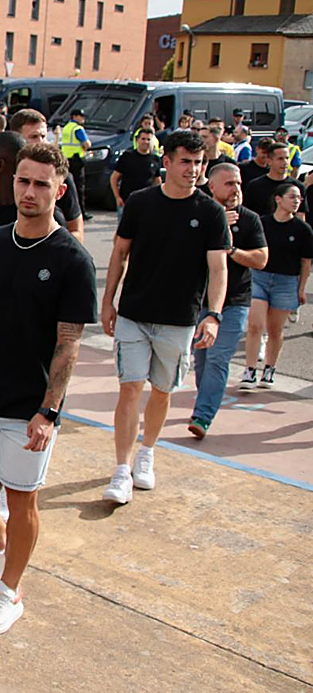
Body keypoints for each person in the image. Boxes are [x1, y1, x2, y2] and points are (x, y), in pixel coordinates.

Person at [0, 142, 96, 636]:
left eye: (41, 184)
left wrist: (49, 411)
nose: (29, 191)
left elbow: (68, 344)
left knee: (23, 496)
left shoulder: (73, 260)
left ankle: (10, 592)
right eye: (23, 181)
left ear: (60, 190)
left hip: (30, 400)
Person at [100, 131, 230, 504]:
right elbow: (119, 253)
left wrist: (214, 315)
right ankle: (122, 469)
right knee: (130, 388)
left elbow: (218, 270)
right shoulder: (141, 203)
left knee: (162, 390)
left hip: (180, 319)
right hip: (135, 314)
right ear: (168, 162)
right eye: (186, 161)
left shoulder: (210, 212)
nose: (193, 169)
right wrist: (108, 301)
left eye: (199, 162)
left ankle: (147, 452)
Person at [188, 163, 267, 437]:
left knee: (218, 359)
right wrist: (217, 225)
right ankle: (205, 399)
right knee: (202, 359)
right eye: (230, 184)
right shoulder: (199, 213)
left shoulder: (250, 219)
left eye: (239, 183)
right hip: (199, 301)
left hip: (235, 301)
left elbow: (260, 259)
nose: (236, 189)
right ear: (212, 186)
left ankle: (202, 415)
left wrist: (231, 249)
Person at [240, 181, 312, 389]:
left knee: (275, 329)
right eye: (292, 197)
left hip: (286, 280)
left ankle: (269, 369)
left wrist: (301, 288)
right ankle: (250, 369)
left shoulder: (302, 229)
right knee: (255, 325)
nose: (297, 201)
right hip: (259, 277)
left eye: (299, 198)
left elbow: (306, 262)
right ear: (278, 199)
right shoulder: (262, 223)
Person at [9, 109, 84, 241]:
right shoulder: (1, 172)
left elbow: (77, 230)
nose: (41, 142)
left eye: (43, 136)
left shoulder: (60, 177)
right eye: (34, 137)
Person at [245, 141, 309, 221]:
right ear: (269, 160)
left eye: (287, 158)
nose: (285, 162)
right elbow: (248, 215)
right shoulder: (254, 186)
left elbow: (301, 215)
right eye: (280, 159)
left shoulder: (297, 186)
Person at [110, 128, 162, 218]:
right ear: (137, 140)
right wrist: (117, 197)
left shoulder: (155, 159)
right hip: (126, 201)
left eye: (148, 139)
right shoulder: (127, 156)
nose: (145, 142)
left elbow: (157, 180)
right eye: (143, 139)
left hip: (146, 202)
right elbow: (114, 178)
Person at [57, 108, 91, 219]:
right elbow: (86, 144)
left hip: (67, 159)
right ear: (75, 116)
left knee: (69, 186)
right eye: (81, 116)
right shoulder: (78, 129)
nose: (83, 119)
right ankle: (82, 211)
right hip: (77, 160)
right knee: (79, 187)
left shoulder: (66, 127)